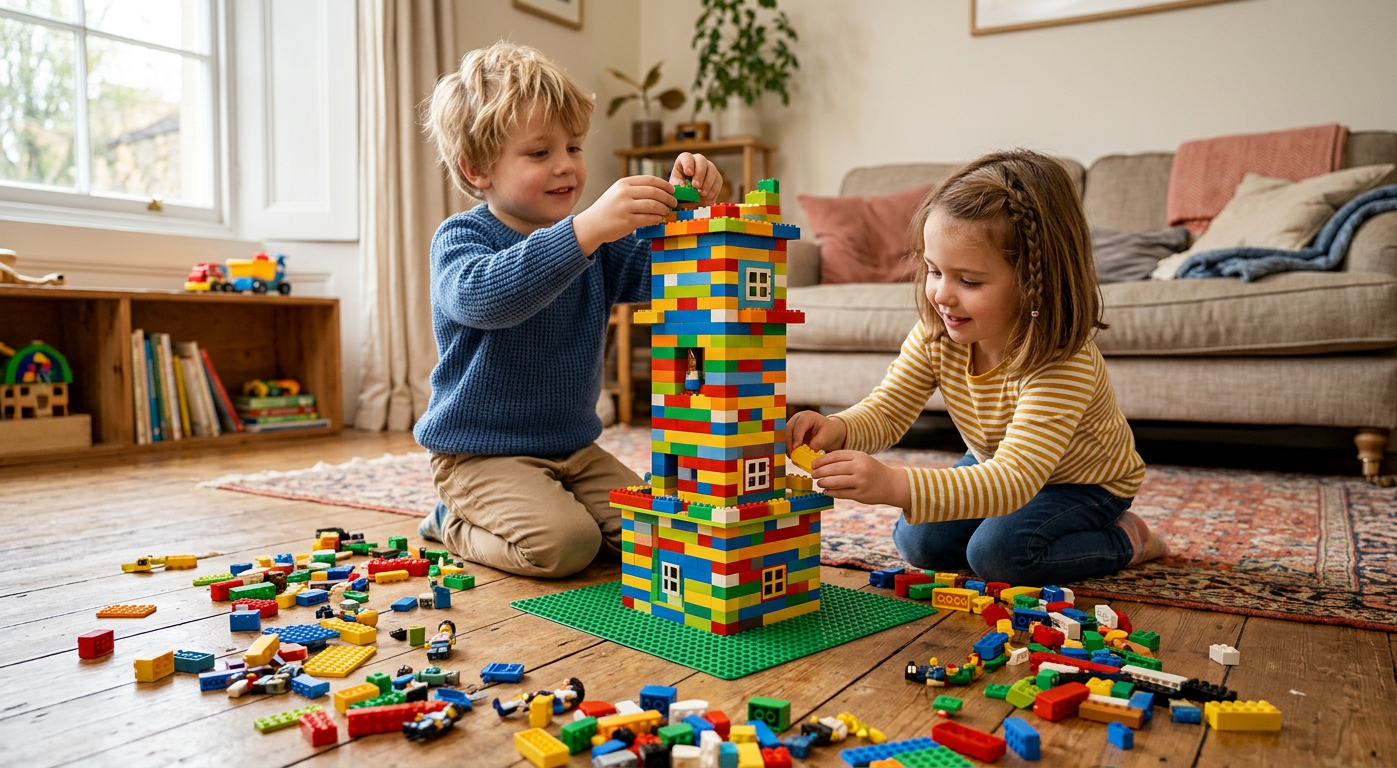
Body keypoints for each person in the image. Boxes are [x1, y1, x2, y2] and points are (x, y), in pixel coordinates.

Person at [414, 41, 723, 578]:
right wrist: (584, 231)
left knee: (662, 534)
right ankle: (452, 521)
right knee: (566, 546)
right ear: (477, 168)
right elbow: (486, 298)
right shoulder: (462, 237)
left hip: (573, 449)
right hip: (481, 455)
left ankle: (547, 503)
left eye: (574, 148)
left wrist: (689, 213)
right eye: (540, 153)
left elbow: (669, 280)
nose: (566, 167)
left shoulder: (596, 243)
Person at [786, 149, 1165, 586]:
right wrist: (837, 428)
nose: (942, 295)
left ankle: (1127, 538)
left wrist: (894, 484)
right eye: (933, 270)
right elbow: (888, 410)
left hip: (1083, 484)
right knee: (920, 544)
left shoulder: (1061, 358)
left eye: (968, 281)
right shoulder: (938, 332)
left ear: (1033, 283)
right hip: (997, 466)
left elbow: (1015, 480)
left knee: (1000, 556)